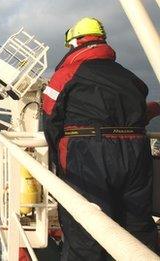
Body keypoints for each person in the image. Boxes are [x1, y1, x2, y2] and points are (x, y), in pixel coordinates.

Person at [42, 17, 159, 260]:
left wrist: (57, 158)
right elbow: (139, 113)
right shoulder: (131, 79)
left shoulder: (66, 73)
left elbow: (50, 115)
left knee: (86, 228)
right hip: (136, 151)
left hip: (88, 155)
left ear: (75, 42)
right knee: (137, 224)